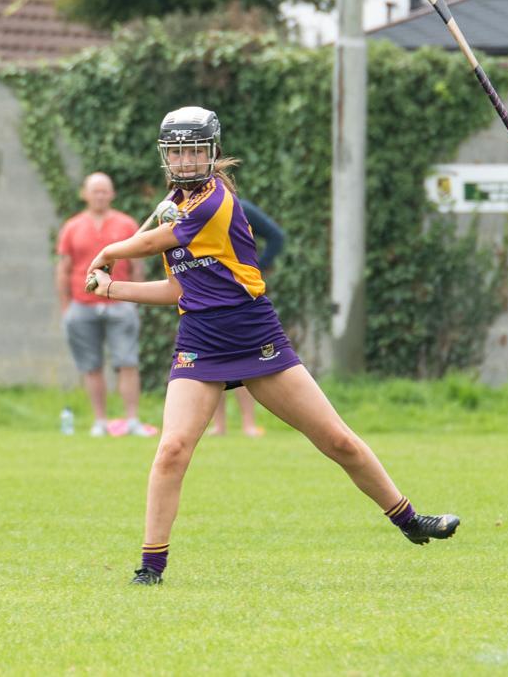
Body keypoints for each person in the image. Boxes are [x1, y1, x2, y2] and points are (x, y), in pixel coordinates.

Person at [85, 106, 459, 585]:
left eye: (194, 150)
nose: (184, 160)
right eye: (176, 151)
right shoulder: (173, 204)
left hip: (254, 332)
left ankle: (409, 519)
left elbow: (152, 243)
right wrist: (113, 289)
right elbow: (180, 291)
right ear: (165, 156)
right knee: (172, 449)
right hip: (200, 339)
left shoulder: (212, 201)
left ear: (212, 153)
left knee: (337, 440)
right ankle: (151, 569)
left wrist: (109, 252)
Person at [56, 172, 149, 437]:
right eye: (93, 191)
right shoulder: (71, 227)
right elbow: (63, 270)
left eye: (104, 191)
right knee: (91, 366)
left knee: (127, 362)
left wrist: (134, 301)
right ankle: (100, 422)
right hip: (82, 307)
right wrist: (67, 309)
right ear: (84, 194)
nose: (99, 196)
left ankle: (132, 421)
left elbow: (137, 266)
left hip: (120, 306)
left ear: (112, 194)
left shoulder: (127, 224)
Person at [209, 200, 286, 437]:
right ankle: (219, 425)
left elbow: (276, 236)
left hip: (240, 296)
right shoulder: (188, 211)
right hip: (205, 294)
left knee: (244, 357)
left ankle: (248, 424)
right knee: (211, 360)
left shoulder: (237, 207)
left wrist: (255, 270)